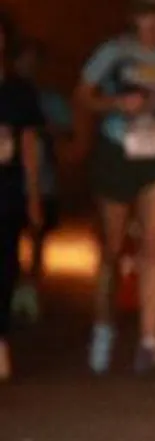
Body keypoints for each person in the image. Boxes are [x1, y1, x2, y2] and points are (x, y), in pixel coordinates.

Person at [74, 0, 155, 376]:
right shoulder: (114, 51)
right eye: (145, 15)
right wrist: (116, 104)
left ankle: (150, 341)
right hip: (117, 152)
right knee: (113, 250)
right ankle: (103, 329)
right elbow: (83, 95)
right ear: (133, 18)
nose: (153, 23)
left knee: (154, 248)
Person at [11, 38, 74, 323]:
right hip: (12, 180)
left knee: (38, 233)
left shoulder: (49, 100)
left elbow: (66, 134)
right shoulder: (9, 95)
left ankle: (30, 287)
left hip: (43, 179)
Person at [0, 11, 43, 382]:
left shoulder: (18, 92)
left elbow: (29, 148)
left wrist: (33, 197)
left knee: (6, 267)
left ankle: (1, 343)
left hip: (7, 192)